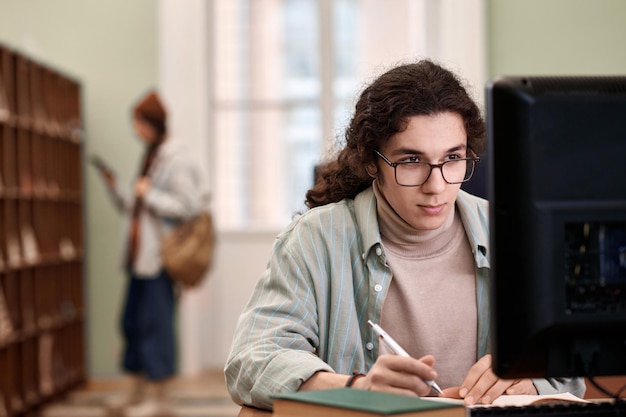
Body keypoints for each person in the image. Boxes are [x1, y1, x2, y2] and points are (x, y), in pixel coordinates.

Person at [224, 60, 585, 410]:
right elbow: (252, 360)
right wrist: (358, 388)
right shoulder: (314, 239)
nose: (437, 186)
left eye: (453, 158)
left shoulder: (511, 233)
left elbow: (570, 372)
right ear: (371, 160)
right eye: (411, 161)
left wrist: (528, 379)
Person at [95, 90, 205, 417]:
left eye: (139, 123)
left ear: (152, 123)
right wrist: (118, 190)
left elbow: (189, 207)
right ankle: (136, 393)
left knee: (156, 327)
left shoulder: (176, 159)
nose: (136, 130)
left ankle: (160, 402)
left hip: (159, 261)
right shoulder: (151, 155)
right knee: (131, 325)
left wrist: (150, 193)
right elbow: (139, 206)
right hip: (138, 260)